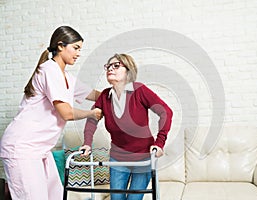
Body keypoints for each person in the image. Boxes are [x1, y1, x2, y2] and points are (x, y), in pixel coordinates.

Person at [0, 26, 102, 200]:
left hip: (41, 150)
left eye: (80, 49)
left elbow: (93, 94)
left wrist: (119, 93)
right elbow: (66, 113)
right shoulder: (49, 70)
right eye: (76, 48)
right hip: (23, 148)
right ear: (61, 46)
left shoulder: (66, 77)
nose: (78, 53)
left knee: (55, 196)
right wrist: (91, 114)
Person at [79, 53, 173, 200]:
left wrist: (159, 143)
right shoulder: (105, 96)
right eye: (108, 66)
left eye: (116, 65)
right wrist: (87, 143)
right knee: (116, 199)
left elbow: (166, 112)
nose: (110, 69)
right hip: (118, 158)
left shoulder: (139, 90)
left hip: (143, 157)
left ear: (128, 71)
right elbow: (92, 119)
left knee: (134, 199)